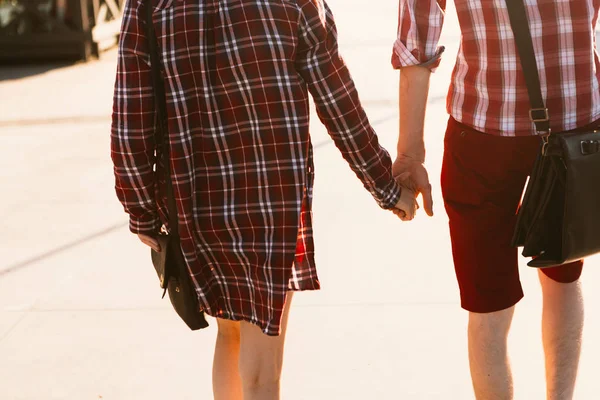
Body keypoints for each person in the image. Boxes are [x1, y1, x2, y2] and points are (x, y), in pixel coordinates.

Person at [111, 0, 416, 399]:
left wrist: (142, 210)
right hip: (271, 200)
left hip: (194, 197)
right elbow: (336, 96)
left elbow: (130, 112)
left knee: (231, 332)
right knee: (262, 370)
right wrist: (386, 186)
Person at [391, 1, 596, 398]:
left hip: (483, 132)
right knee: (564, 278)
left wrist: (410, 154)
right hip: (575, 127)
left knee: (488, 304)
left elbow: (416, 43)